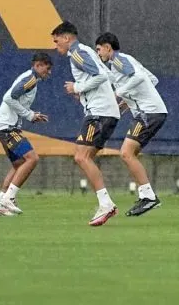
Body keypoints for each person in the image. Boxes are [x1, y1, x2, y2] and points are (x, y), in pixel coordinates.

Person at [52, 21, 123, 226]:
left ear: (67, 38)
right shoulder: (85, 51)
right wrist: (83, 92)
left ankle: (106, 204)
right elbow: (105, 76)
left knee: (81, 156)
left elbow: (100, 76)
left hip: (99, 113)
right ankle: (105, 203)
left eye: (57, 41)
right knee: (86, 157)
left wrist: (77, 87)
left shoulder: (77, 53)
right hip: (106, 112)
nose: (56, 46)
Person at [94, 32, 167, 217]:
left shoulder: (118, 60)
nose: (98, 54)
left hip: (148, 113)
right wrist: (128, 102)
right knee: (129, 154)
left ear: (108, 48)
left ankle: (149, 197)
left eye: (99, 49)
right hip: (152, 112)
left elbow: (140, 78)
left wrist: (118, 93)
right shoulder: (126, 59)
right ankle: (146, 195)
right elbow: (152, 80)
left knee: (126, 153)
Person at [0, 53, 51, 216]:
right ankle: (9, 198)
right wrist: (29, 115)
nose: (49, 72)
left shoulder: (31, 79)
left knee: (19, 164)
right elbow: (8, 98)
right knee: (32, 158)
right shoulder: (30, 79)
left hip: (4, 126)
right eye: (47, 68)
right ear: (38, 65)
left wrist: (32, 114)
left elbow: (15, 100)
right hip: (7, 127)